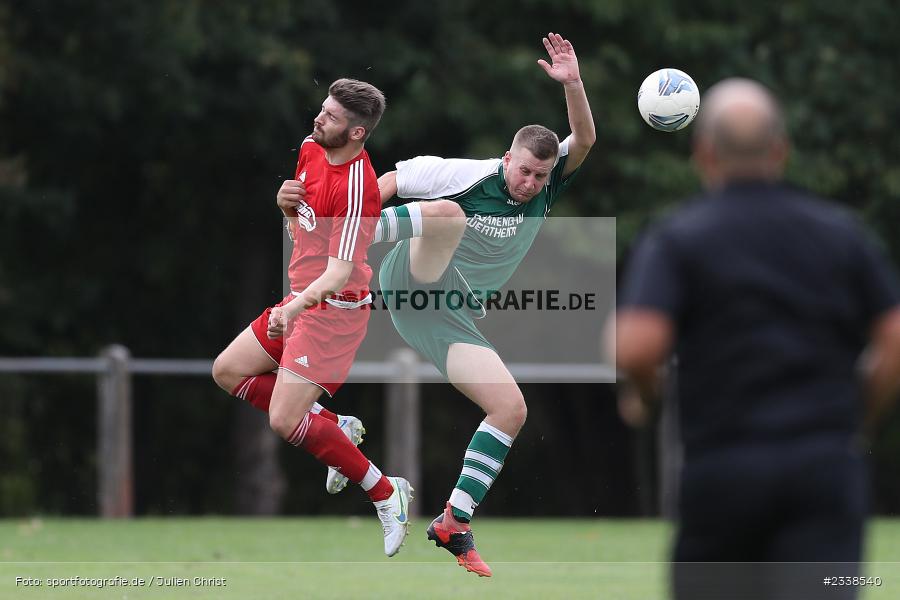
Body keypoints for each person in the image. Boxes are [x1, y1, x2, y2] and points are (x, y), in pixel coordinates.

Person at [613, 78, 900, 599]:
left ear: (703, 155)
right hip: (824, 470)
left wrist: (648, 401)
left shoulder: (679, 238)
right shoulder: (841, 233)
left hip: (723, 472)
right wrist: (862, 416)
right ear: (781, 151)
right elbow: (895, 336)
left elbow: (636, 346)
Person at [371, 33, 595, 576]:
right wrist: (349, 227)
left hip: (446, 315)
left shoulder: (546, 188)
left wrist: (574, 85)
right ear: (506, 158)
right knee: (446, 215)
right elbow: (392, 181)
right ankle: (348, 244)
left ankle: (454, 520)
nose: (529, 182)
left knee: (511, 408)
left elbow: (584, 138)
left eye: (540, 175)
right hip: (411, 274)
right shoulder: (466, 174)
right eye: (523, 170)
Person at [213, 78, 413, 557]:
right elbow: (300, 225)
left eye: (332, 117)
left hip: (333, 313)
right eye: (323, 109)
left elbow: (341, 271)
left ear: (357, 134)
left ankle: (387, 493)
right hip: (302, 299)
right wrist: (284, 205)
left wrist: (296, 306)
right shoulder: (310, 147)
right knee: (227, 371)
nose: (319, 119)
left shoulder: (360, 188)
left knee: (284, 421)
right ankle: (333, 424)